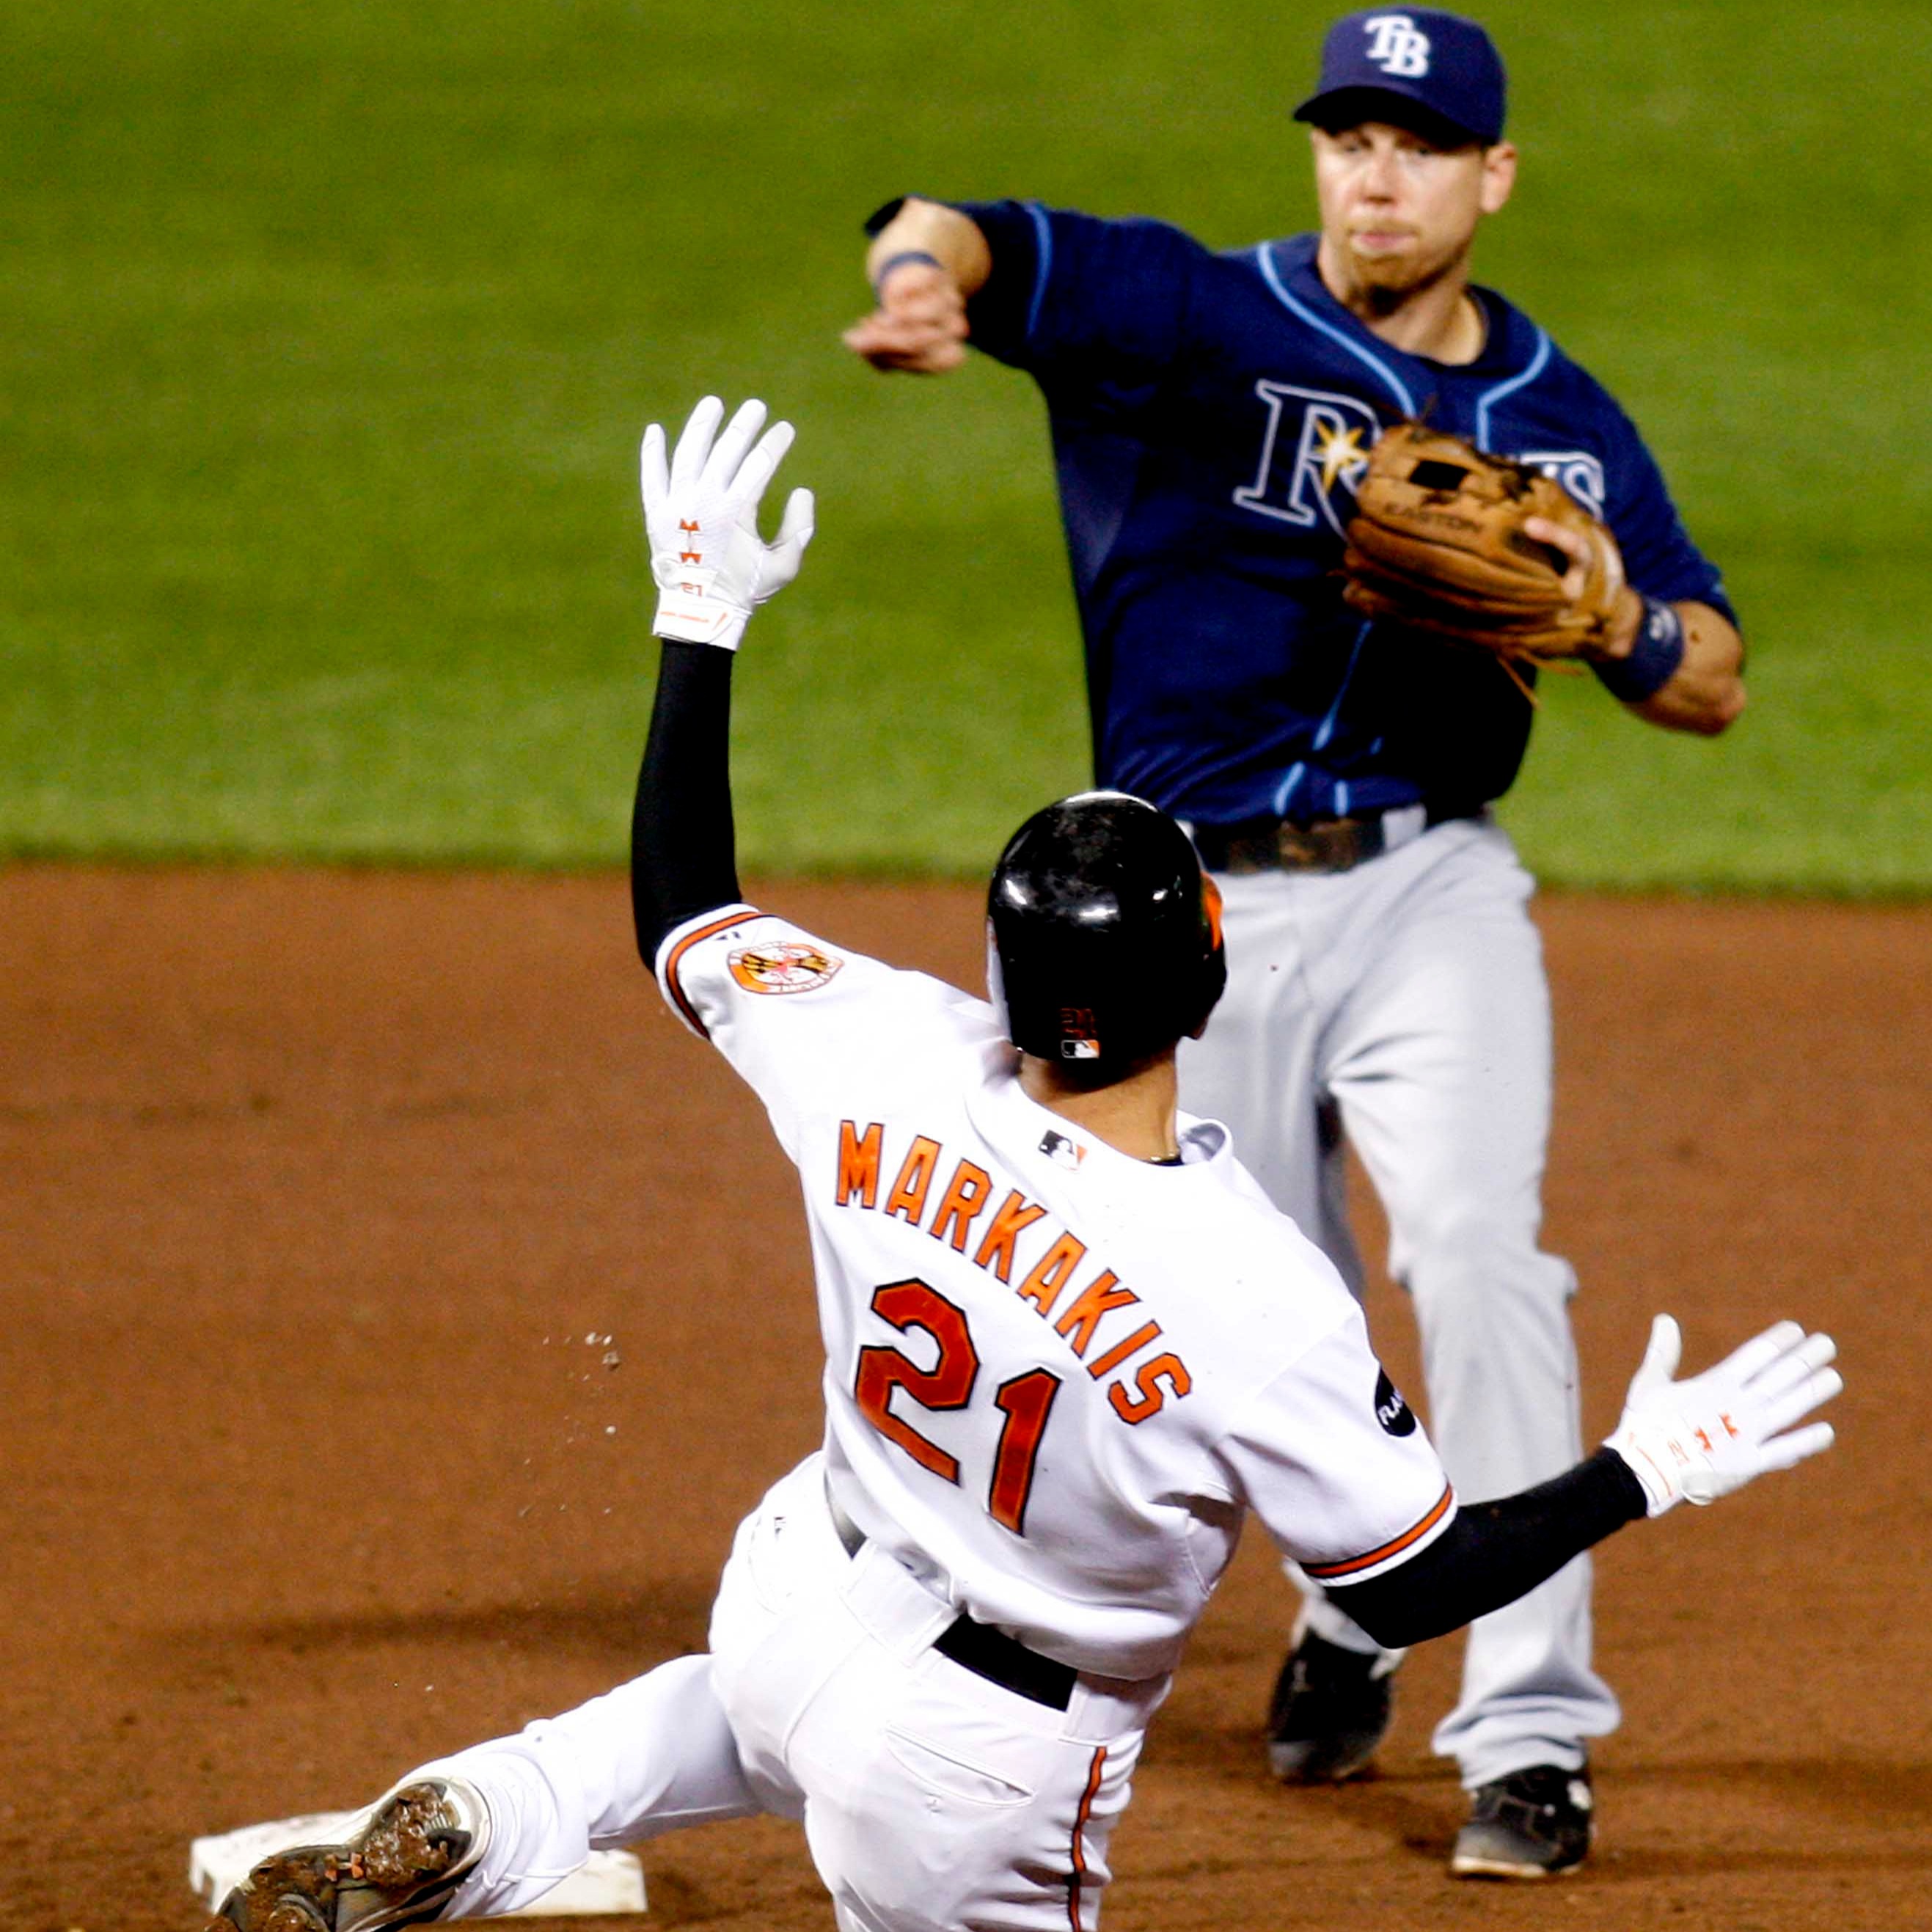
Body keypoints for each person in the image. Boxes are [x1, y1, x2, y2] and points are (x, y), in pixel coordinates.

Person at [210, 399, 1834, 1932]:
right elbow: (1412, 1583)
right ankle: (511, 1810)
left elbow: (683, 910)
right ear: (1208, 979)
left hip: (795, 1588)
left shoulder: (878, 1050)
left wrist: (698, 616)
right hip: (977, 1756)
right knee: (816, 1761)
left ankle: (493, 1813)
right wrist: (1646, 1464)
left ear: (1000, 970)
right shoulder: (1252, 1290)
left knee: (696, 1731)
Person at [842, 5, 1748, 1877]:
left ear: (1493, 175)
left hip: (1431, 884)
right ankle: (1355, 1606)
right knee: (1277, 1296)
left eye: (1419, 147)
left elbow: (1713, 673)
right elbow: (962, 226)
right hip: (1196, 905)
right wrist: (922, 286)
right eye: (1348, 140)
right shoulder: (1196, 315)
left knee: (1483, 1256)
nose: (1377, 179)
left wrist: (1621, 627)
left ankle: (1530, 1736)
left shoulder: (1561, 422)